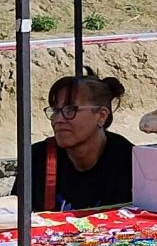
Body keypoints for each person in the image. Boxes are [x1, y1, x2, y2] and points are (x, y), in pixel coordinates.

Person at [27, 75, 134, 212]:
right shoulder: (38, 158)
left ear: (101, 115)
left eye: (71, 109)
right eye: (56, 110)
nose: (58, 119)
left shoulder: (127, 160)